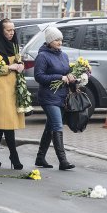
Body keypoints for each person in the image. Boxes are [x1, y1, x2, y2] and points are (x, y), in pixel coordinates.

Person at [33, 26, 76, 170]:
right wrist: (59, 77)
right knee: (57, 125)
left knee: (50, 127)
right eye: (57, 39)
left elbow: (67, 71)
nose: (60, 42)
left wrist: (72, 77)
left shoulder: (63, 55)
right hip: (48, 97)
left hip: (62, 96)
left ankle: (40, 158)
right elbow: (39, 77)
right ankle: (63, 161)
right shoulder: (42, 56)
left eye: (61, 40)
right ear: (49, 40)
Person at [0, 18, 25, 170]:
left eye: (13, 30)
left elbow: (19, 61)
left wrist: (20, 65)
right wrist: (10, 67)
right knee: (7, 123)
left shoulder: (14, 45)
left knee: (2, 124)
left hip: (14, 87)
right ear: (1, 31)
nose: (11, 33)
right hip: (1, 88)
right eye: (8, 30)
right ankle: (14, 156)